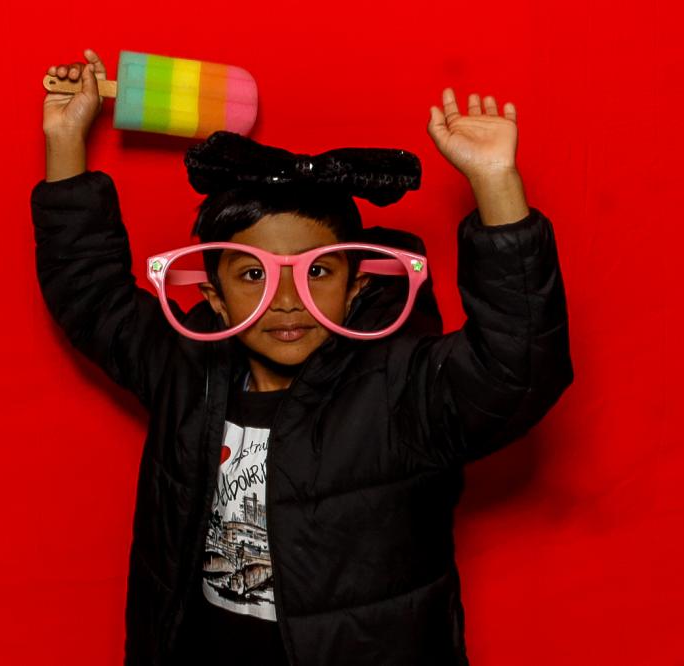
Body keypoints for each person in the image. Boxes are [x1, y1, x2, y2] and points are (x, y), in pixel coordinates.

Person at [32, 48, 574, 666]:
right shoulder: (184, 370)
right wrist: (64, 140)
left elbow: (517, 367)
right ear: (213, 296)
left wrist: (496, 183)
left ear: (356, 287)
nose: (286, 299)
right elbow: (90, 293)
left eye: (316, 271)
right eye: (251, 274)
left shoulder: (400, 390)